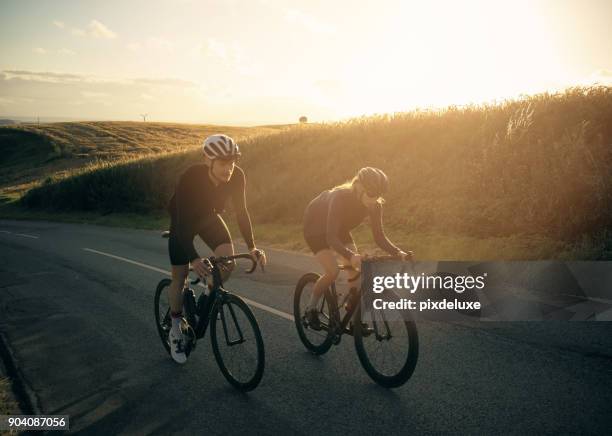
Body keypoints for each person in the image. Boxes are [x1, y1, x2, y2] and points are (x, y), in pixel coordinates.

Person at [166, 134, 266, 363]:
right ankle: (175, 328)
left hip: (209, 218)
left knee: (227, 263)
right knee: (179, 278)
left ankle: (207, 297)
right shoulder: (190, 177)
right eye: (222, 163)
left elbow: (242, 212)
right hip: (183, 221)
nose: (229, 168)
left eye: (232, 162)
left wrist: (252, 247)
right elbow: (181, 224)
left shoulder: (237, 176)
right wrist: (194, 258)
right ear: (207, 160)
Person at [302, 167, 411, 327]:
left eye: (379, 195)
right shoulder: (339, 197)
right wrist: (351, 256)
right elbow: (331, 238)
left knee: (355, 270)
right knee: (333, 271)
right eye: (371, 193)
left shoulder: (375, 205)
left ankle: (354, 316)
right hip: (315, 227)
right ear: (358, 186)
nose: (374, 199)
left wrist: (398, 252)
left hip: (339, 228)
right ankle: (310, 309)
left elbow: (379, 237)